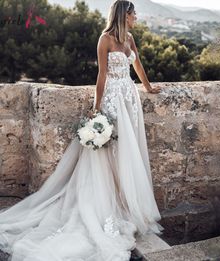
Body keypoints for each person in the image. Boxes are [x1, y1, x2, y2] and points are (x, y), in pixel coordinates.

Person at [0, 1, 164, 260]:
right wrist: (97, 108)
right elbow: (101, 76)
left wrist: (148, 87)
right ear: (124, 14)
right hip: (112, 99)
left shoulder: (130, 38)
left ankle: (125, 200)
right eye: (134, 14)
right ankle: (112, 203)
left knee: (128, 150)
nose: (137, 17)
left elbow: (138, 66)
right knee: (112, 151)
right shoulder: (105, 39)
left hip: (130, 99)